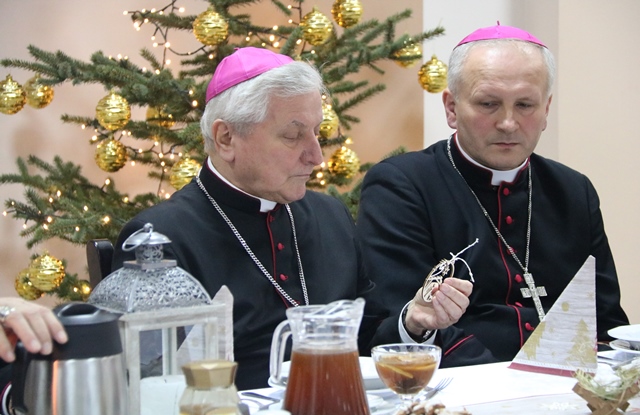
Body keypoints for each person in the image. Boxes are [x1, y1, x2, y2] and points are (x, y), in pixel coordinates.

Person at [111, 47, 471, 390]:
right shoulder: (161, 240)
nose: (316, 155)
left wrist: (413, 322)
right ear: (226, 138)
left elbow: (366, 340)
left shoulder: (330, 216)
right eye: (293, 135)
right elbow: (150, 385)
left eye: (317, 133)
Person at [356, 24, 629, 367]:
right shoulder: (402, 185)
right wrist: (506, 382)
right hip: (461, 381)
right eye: (489, 104)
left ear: (546, 109)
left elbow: (605, 321)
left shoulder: (573, 190)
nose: (508, 123)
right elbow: (403, 319)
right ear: (452, 108)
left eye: (525, 105)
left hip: (568, 384)